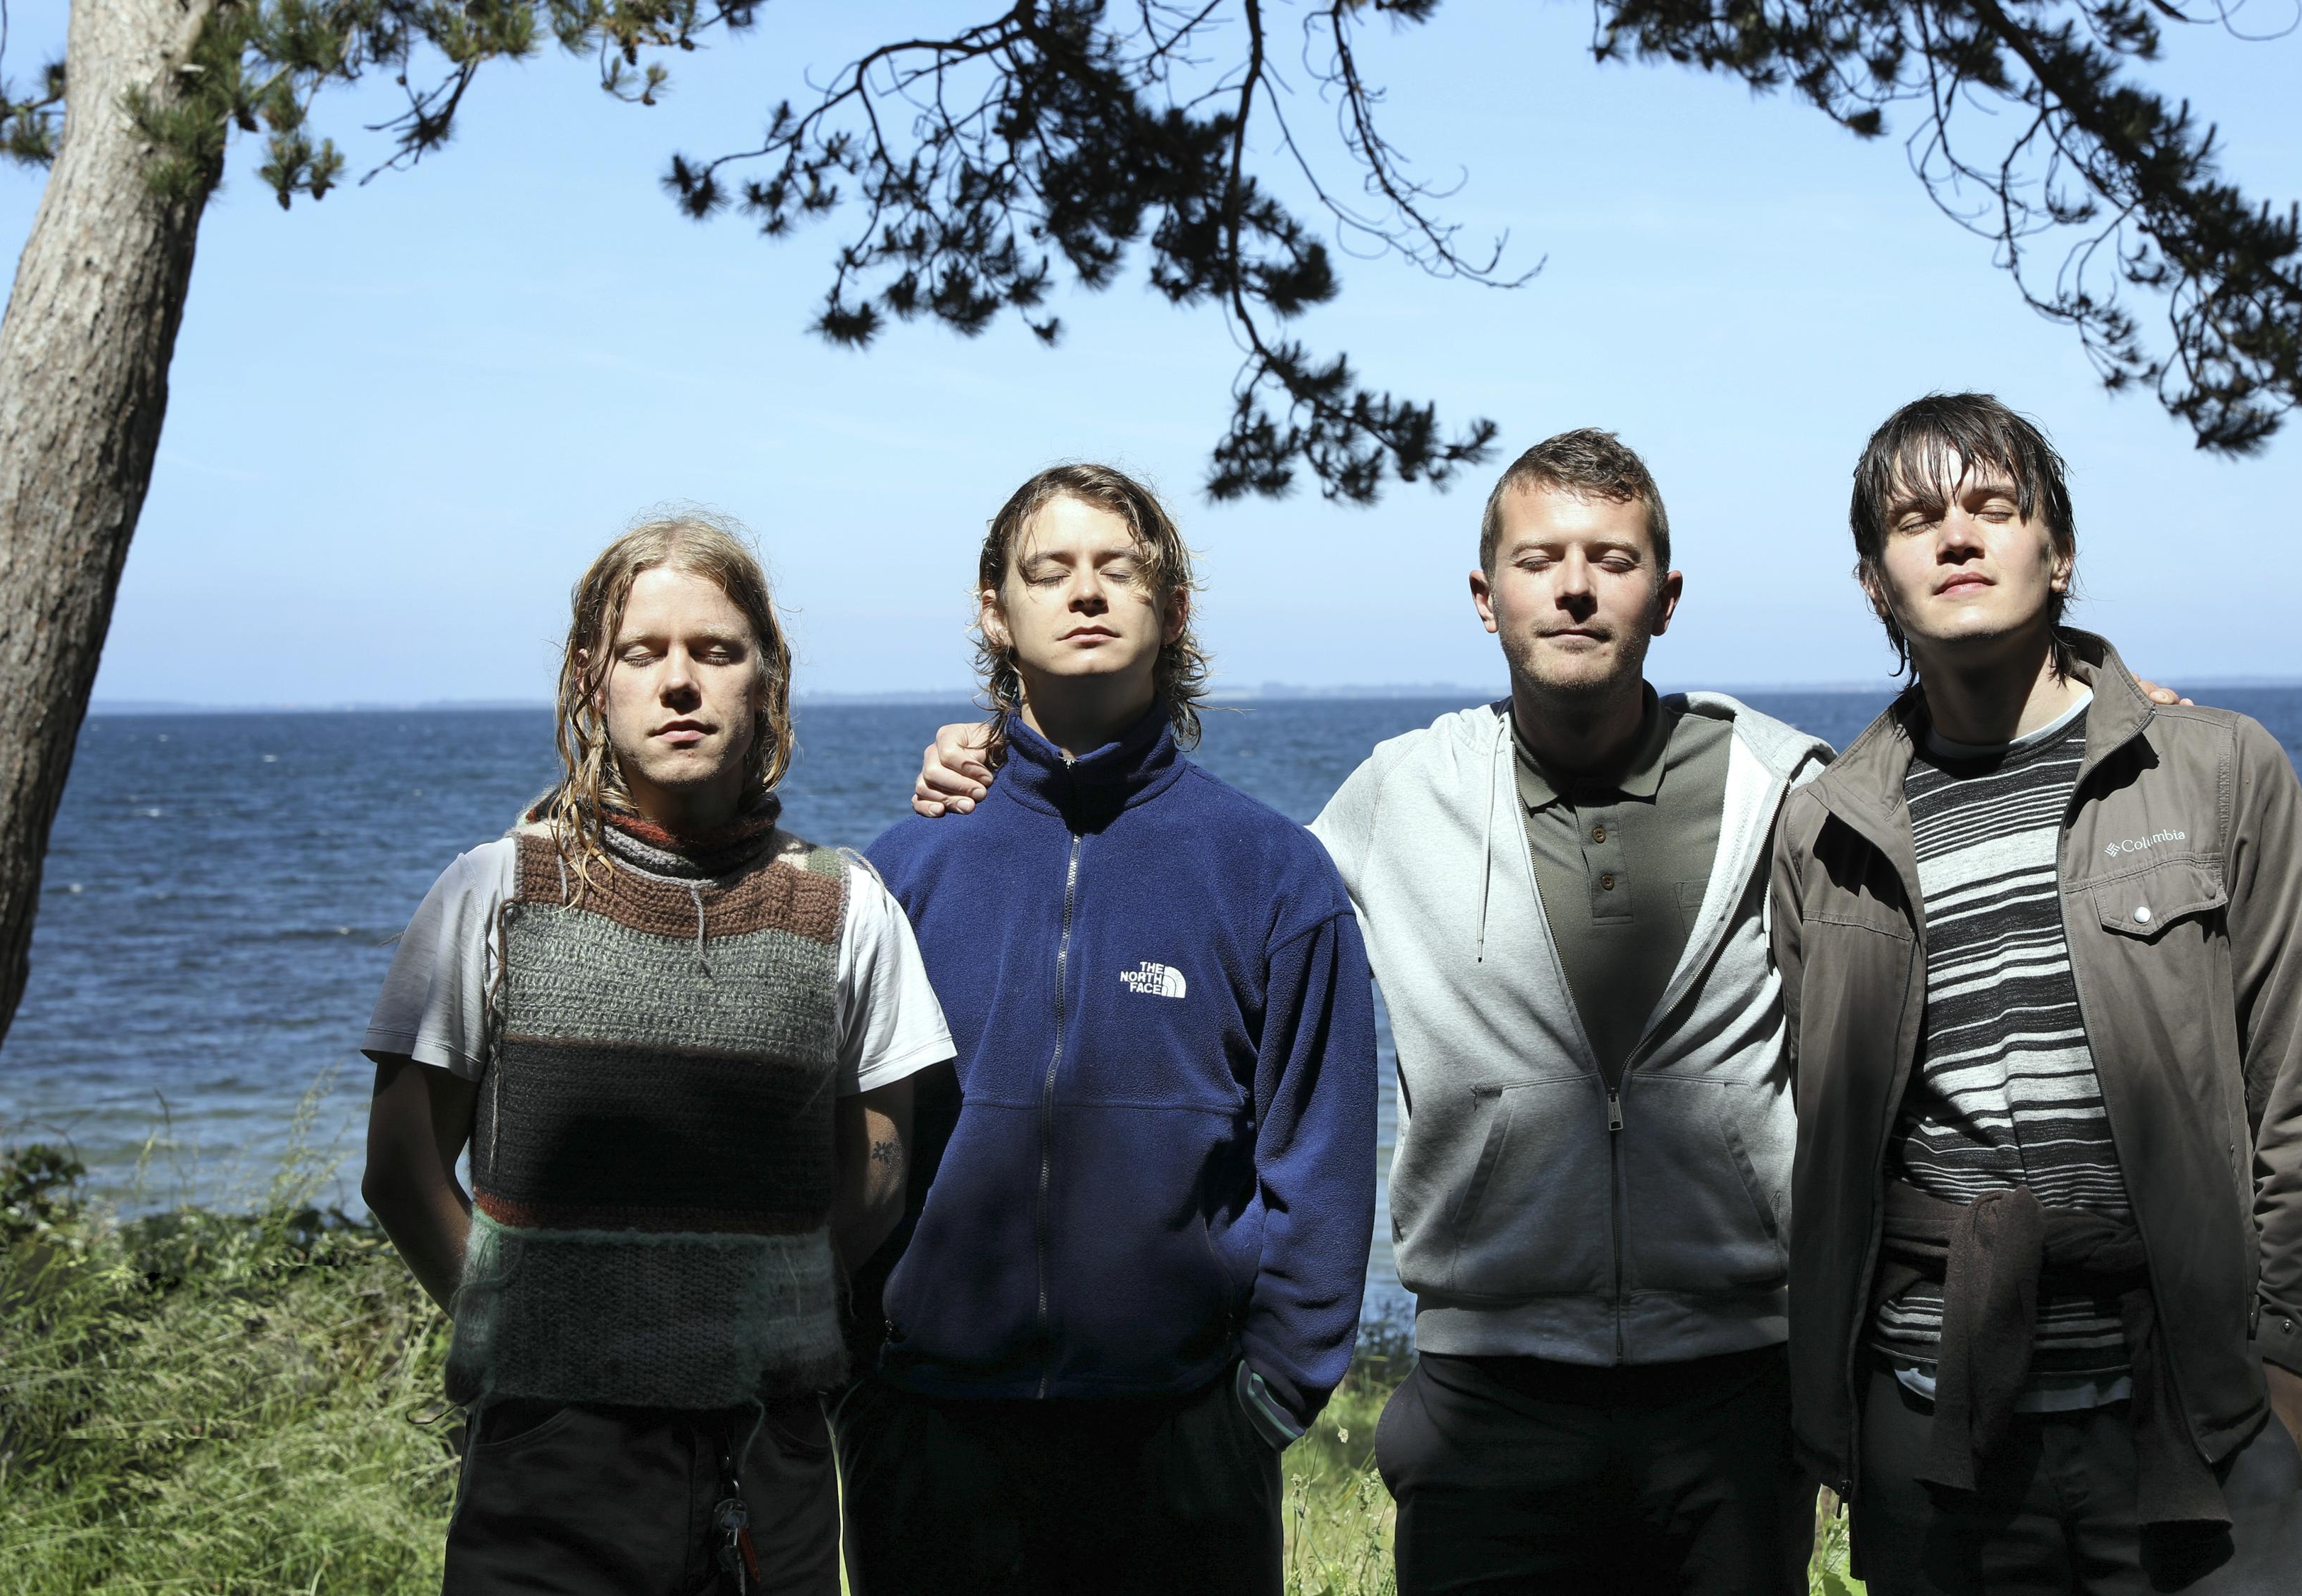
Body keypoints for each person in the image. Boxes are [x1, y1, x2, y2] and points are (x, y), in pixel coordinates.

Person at [912, 430, 1839, 1594]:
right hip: (1487, 1393)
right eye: (1539, 559)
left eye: (1613, 559)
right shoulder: (1405, 789)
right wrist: (1001, 772)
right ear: (1484, 598)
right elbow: (1167, 888)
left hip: (1735, 1390)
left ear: (1667, 594)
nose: (1574, 587)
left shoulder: (1785, 787)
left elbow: (1886, 983)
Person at [1768, 394, 2302, 1595]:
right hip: (1931, 1428)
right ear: (1875, 584)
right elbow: (1822, 1130)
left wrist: (2284, 1372)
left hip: (2191, 1417)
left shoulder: (2218, 770)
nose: (1958, 537)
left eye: (1994, 507)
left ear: (2060, 552)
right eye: (1915, 521)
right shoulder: (1826, 830)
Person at [359, 511, 954, 1596]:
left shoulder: (846, 904)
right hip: (549, 1468)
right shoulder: (497, 888)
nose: (680, 682)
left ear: (767, 681)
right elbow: (400, 1167)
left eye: (716, 651)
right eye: (644, 653)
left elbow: (878, 1168)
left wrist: (760, 1320)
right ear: (594, 682)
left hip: (767, 1462)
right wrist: (520, 1332)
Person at [839, 463, 1379, 1596]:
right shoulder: (901, 874)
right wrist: (859, 1395)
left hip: (1181, 1452)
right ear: (996, 611)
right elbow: (845, 1151)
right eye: (1050, 571)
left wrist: (1262, 1405)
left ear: (1172, 610)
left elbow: (1321, 1164)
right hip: (932, 1443)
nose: (1085, 592)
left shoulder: (1274, 875)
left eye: (1117, 569)